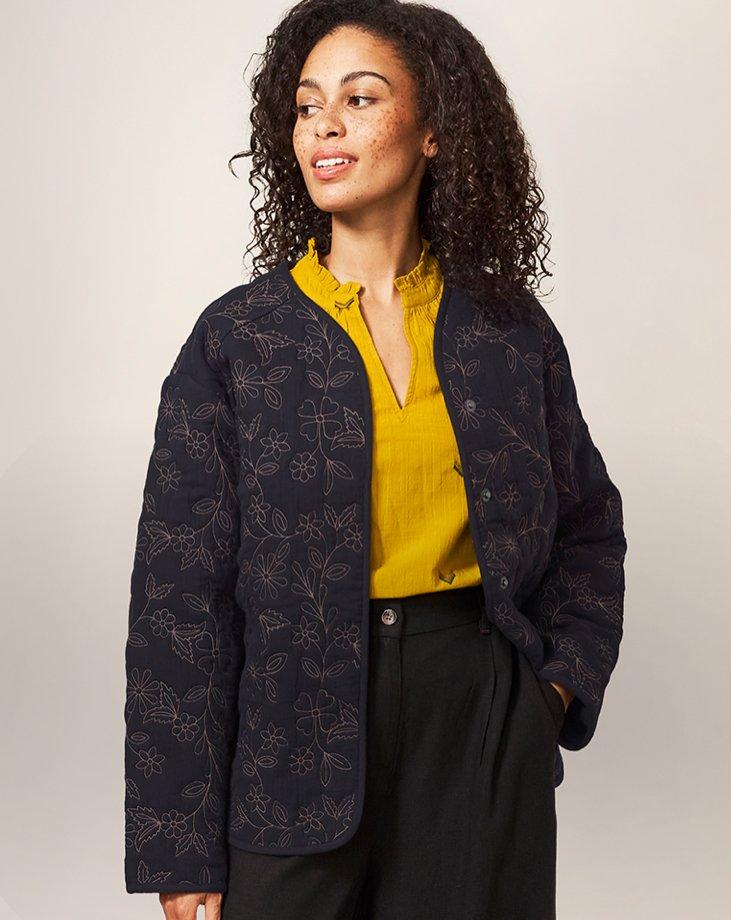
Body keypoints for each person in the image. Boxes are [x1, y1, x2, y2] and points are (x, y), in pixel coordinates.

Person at [123, 1, 627, 917]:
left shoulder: (508, 330)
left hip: (475, 721)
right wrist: (180, 845)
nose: (324, 125)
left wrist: (550, 693)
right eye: (307, 105)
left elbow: (588, 526)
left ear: (434, 130)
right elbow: (178, 604)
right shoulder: (240, 340)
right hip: (289, 734)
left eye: (359, 99)